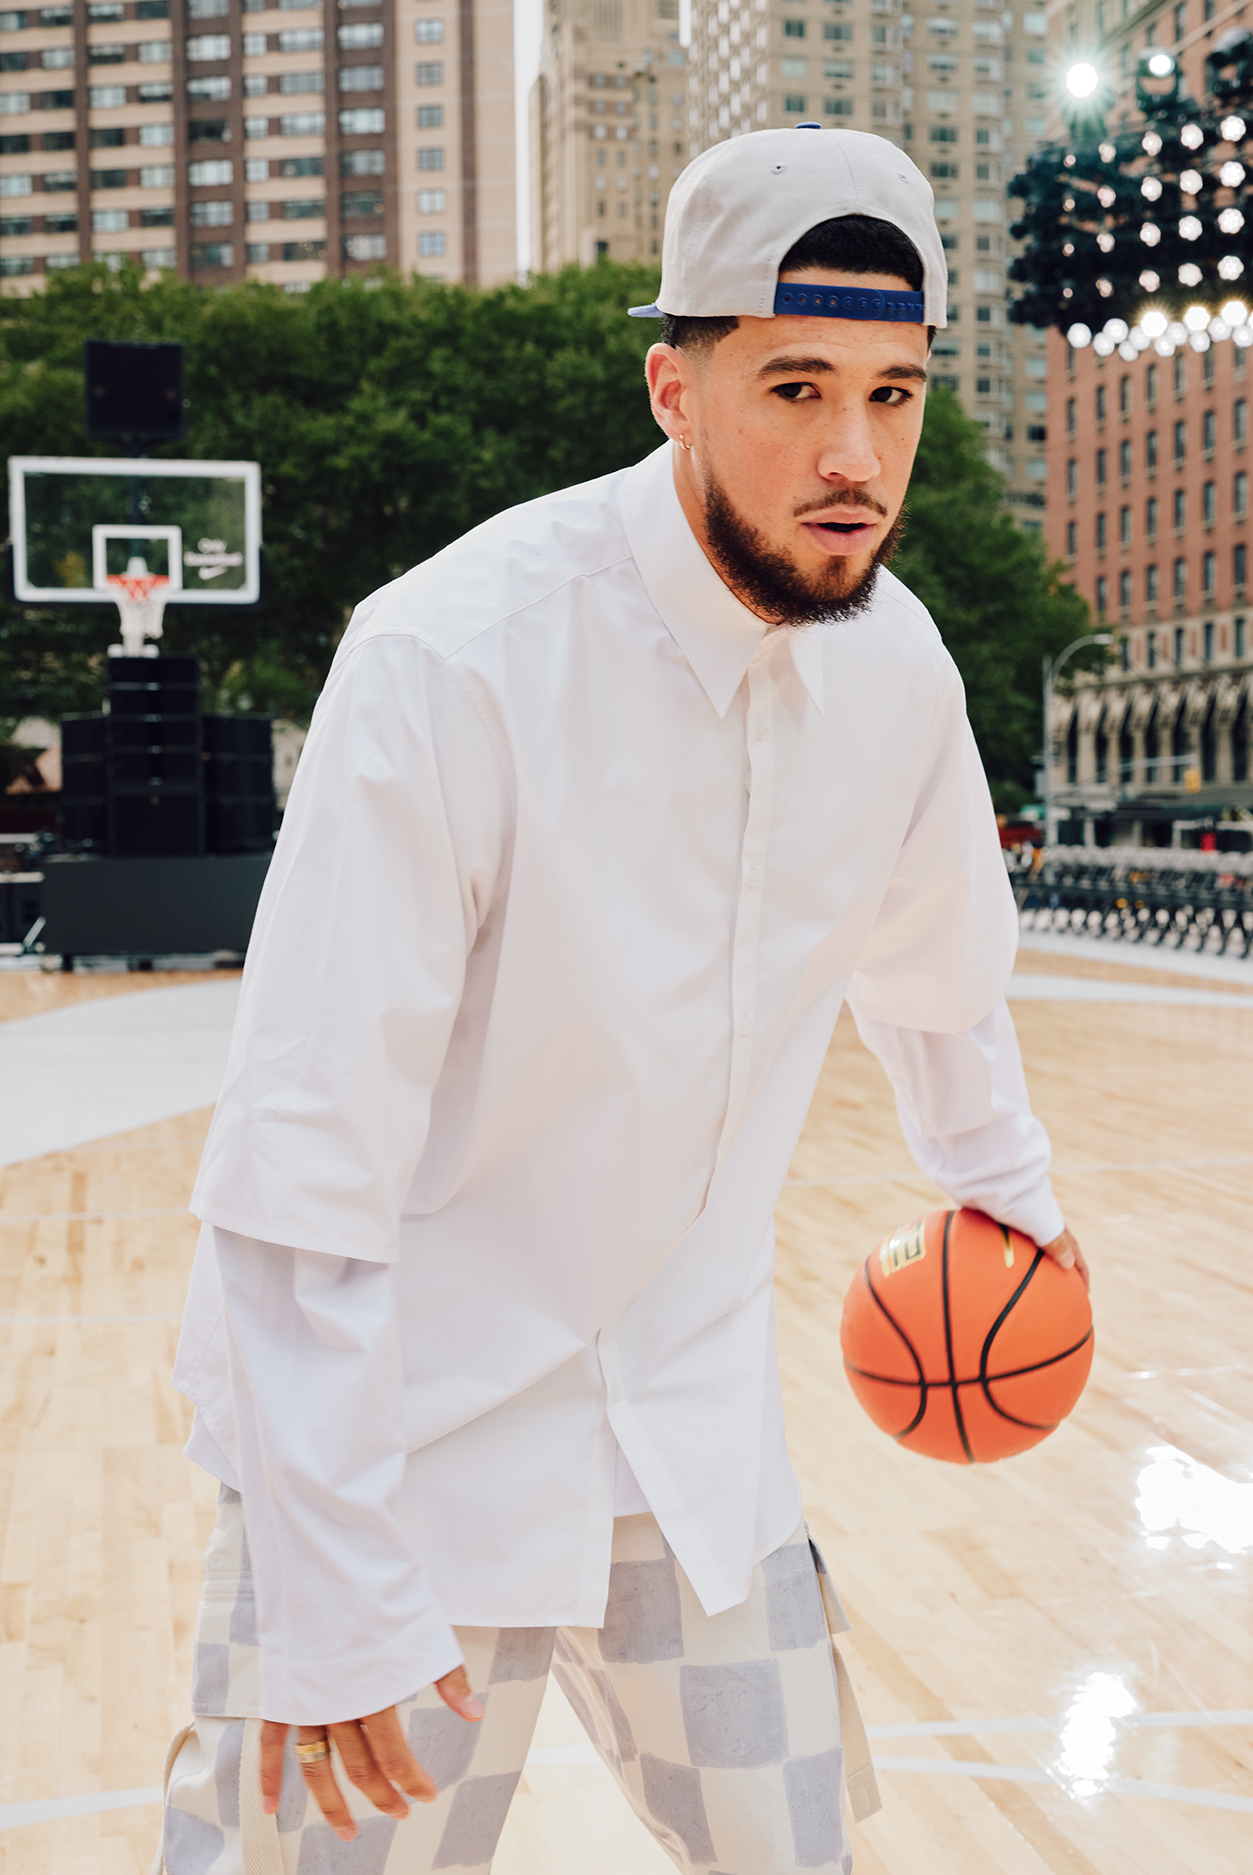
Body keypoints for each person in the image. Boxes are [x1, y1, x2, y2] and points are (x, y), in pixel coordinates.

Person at [157, 124, 1085, 1875]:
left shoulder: (898, 668)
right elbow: (299, 1157)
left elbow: (939, 973)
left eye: (893, 396)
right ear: (675, 387)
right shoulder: (448, 659)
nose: (854, 455)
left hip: (688, 1437)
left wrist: (1010, 1196)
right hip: (397, 1448)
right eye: (796, 388)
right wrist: (333, 1587)